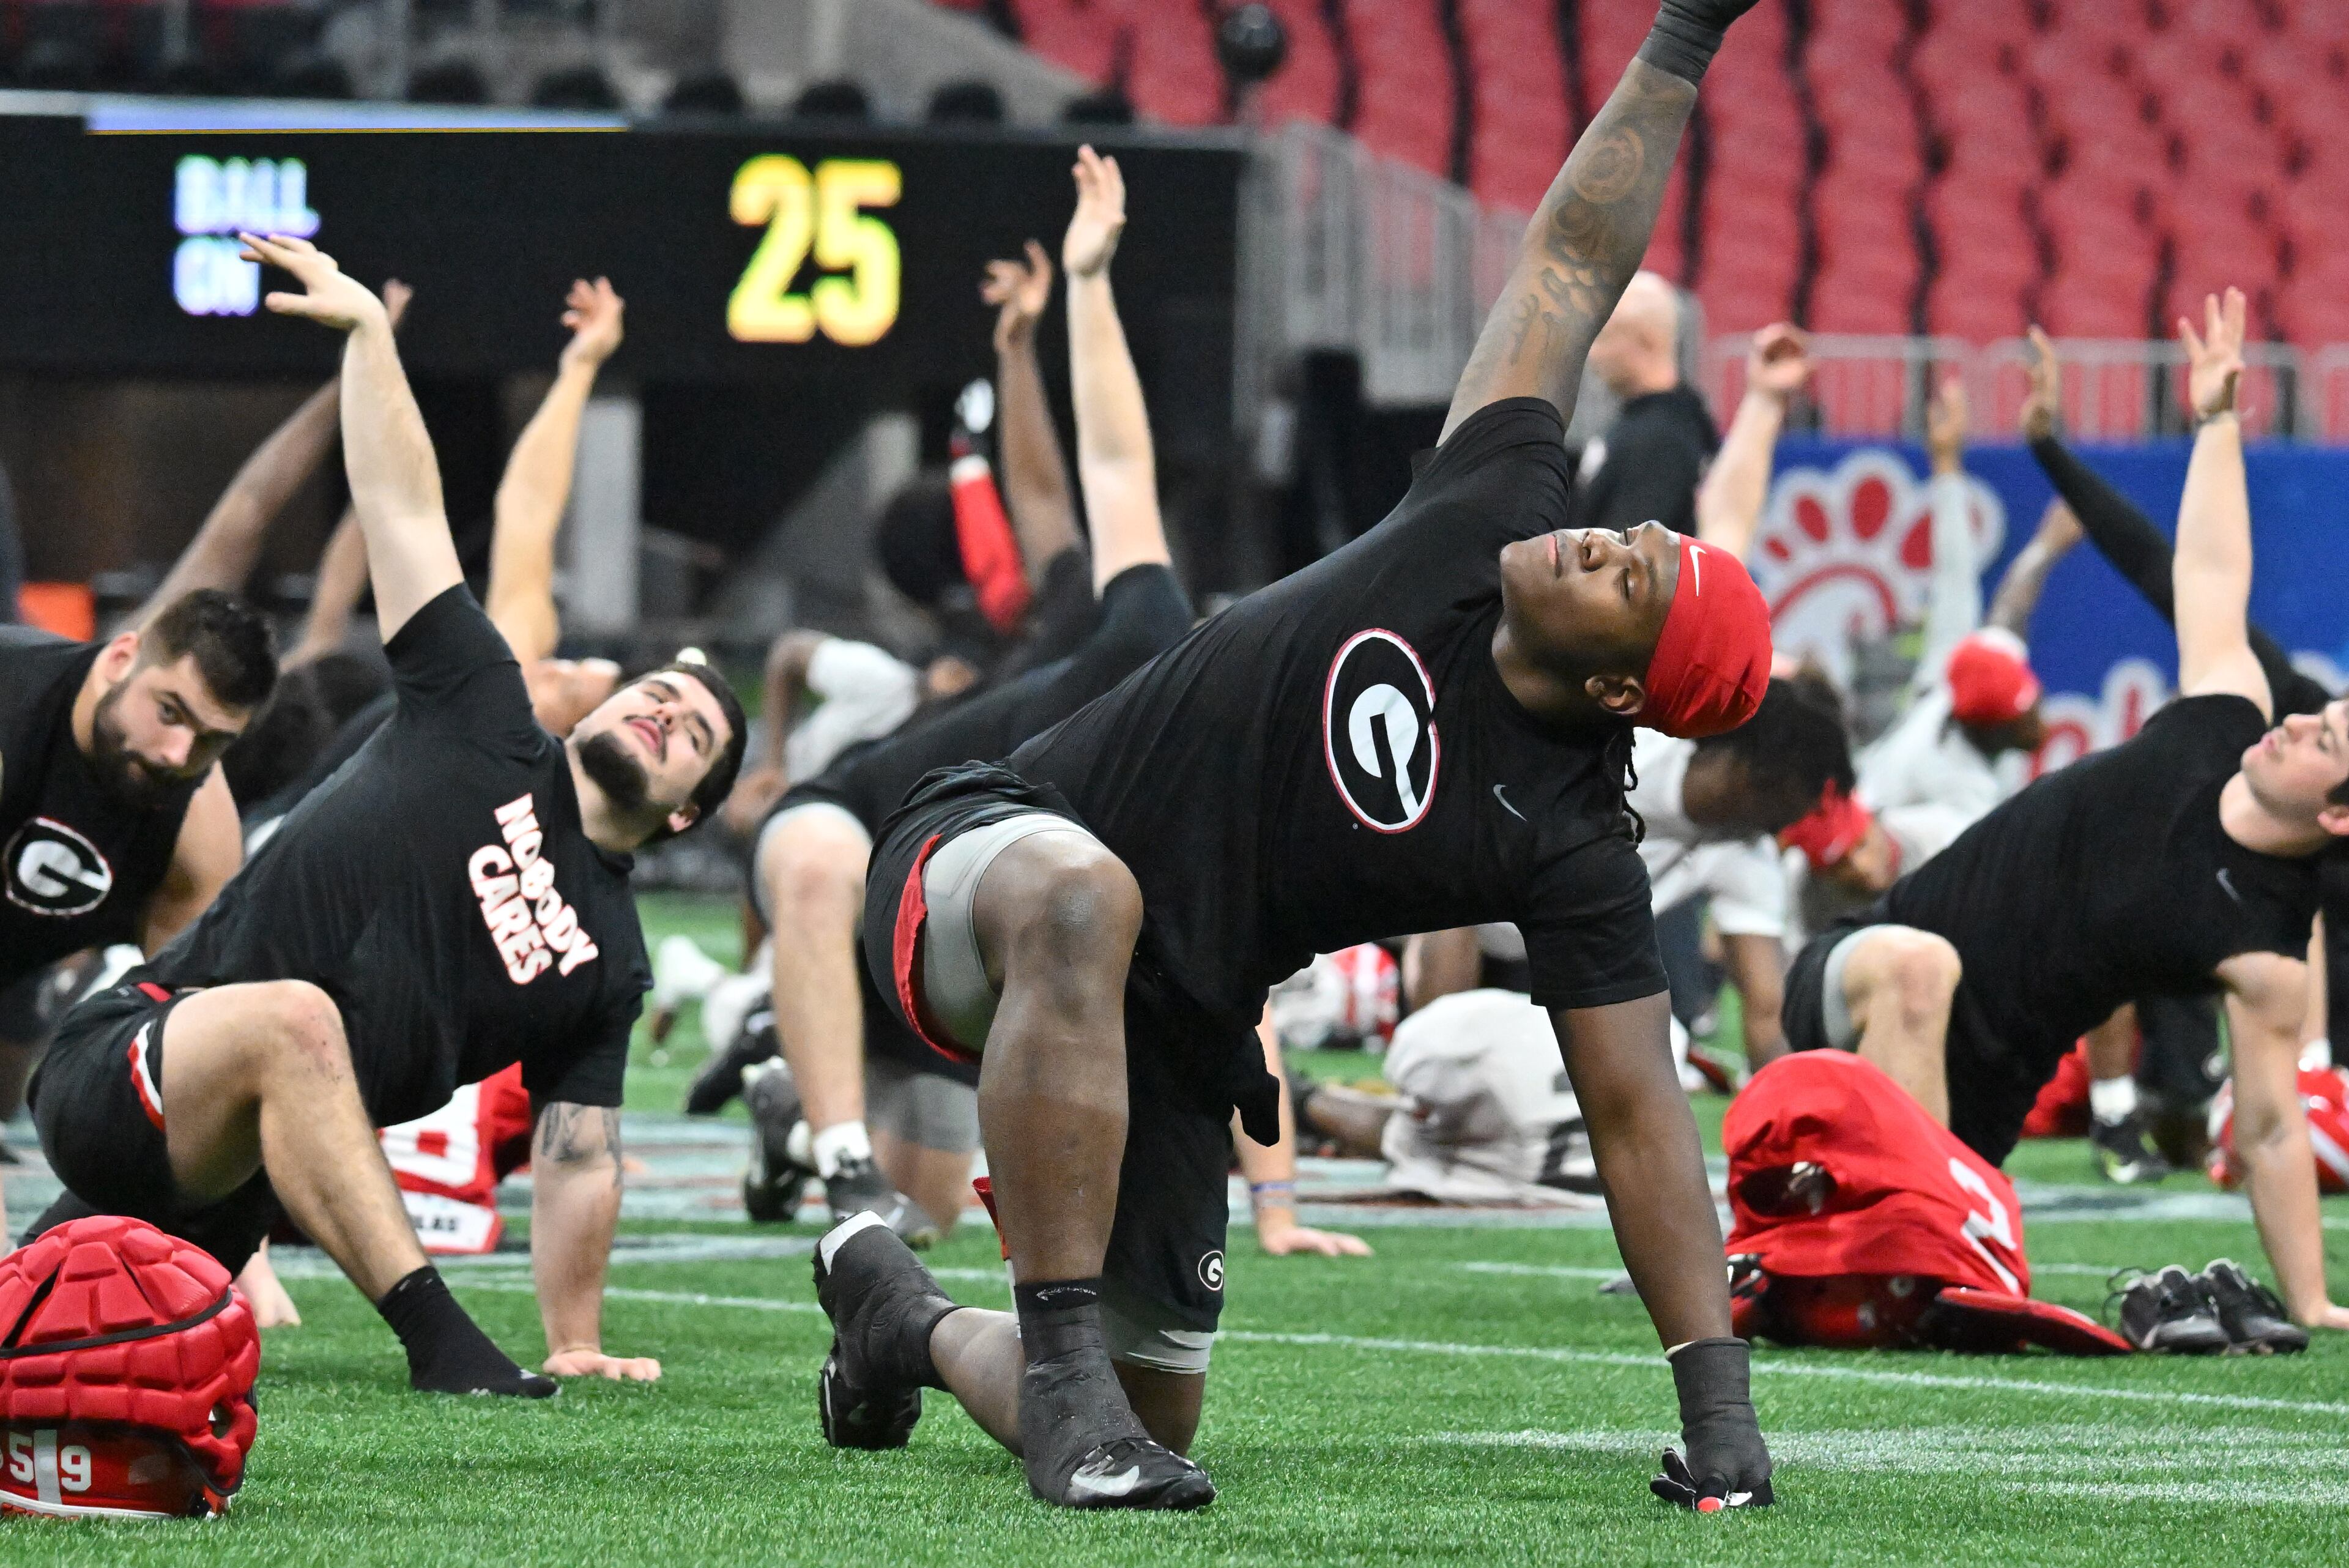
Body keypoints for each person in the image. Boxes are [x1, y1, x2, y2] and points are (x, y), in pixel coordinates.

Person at [825, 2, 1781, 1515]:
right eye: (1639, 533)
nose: (1606, 534)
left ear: (1613, 681)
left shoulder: (1569, 835)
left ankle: (901, 1318)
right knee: (1085, 896)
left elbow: (1637, 1115)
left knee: (1161, 1414)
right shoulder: (1489, 503)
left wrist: (1716, 1404)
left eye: (1631, 577)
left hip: (1176, 1023)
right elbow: (1570, 264)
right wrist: (1679, 39)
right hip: (991, 858)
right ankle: (1064, 1381)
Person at [25, 234, 747, 1397]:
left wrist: (574, 1332)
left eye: (695, 735)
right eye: (657, 691)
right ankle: (442, 1345)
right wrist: (368, 339)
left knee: (58, 1339)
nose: (664, 713)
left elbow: (577, 1155)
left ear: (685, 817)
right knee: (303, 1020)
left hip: (232, 1188)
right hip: (133, 1055)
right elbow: (408, 507)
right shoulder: (481, 704)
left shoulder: (610, 963)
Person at [1779, 289, 2349, 1337]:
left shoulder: (2268, 947)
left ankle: (1860, 1244)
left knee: (1933, 1281)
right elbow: (2211, 571)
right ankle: (1905, 1249)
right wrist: (2217, 421)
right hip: (1855, 979)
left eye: (2331, 742)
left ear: (2344, 818)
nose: (2304, 725)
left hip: (1981, 1107)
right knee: (1922, 967)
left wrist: (2311, 1298)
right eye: (2321, 717)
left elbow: (2270, 1131)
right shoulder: (2223, 714)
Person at [727, 163, 1199, 1241]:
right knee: (810, 865)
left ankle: (792, 1105)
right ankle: (835, 1152)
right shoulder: (1137, 621)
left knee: (928, 1215)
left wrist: (1274, 1199)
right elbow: (1099, 466)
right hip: (860, 825)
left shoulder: (1186, 798)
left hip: (947, 930)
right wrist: (1073, 298)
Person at [0, 589, 276, 1216]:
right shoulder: (13, 714)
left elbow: (195, 1054)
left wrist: (237, 1254)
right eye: (171, 712)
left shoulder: (198, 829)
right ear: (122, 657)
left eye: (212, 740)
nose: (177, 755)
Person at [1575, 274, 1716, 539]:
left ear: (1647, 340)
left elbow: (1622, 554)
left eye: (1605, 336)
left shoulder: (1662, 438)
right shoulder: (1652, 423)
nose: (1593, 353)